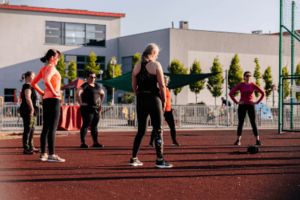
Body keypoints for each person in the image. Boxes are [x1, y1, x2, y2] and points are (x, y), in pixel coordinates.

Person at [130, 43, 173, 168]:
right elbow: (162, 85)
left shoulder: (137, 66)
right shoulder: (155, 65)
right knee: (158, 129)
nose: (157, 56)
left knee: (141, 130)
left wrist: (137, 92)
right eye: (157, 54)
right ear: (153, 53)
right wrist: (164, 101)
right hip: (154, 99)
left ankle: (133, 158)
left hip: (141, 99)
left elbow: (133, 85)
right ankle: (160, 160)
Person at [31, 49, 65, 162]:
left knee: (46, 127)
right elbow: (46, 80)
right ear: (52, 58)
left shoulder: (44, 68)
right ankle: (52, 154)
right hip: (53, 99)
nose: (58, 59)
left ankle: (44, 154)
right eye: (57, 57)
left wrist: (42, 93)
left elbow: (33, 83)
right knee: (53, 128)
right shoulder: (51, 67)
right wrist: (55, 92)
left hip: (46, 99)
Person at [229, 71, 264, 146]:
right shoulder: (240, 85)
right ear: (244, 77)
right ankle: (238, 140)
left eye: (250, 76)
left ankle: (257, 140)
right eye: (247, 76)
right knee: (240, 123)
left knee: (253, 122)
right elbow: (230, 93)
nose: (248, 77)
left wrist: (257, 102)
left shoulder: (253, 85)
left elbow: (263, 93)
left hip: (251, 105)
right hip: (242, 105)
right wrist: (237, 102)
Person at [76, 71, 105, 148]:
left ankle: (95, 142)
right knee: (86, 124)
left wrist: (100, 103)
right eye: (91, 77)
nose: (93, 78)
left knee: (94, 126)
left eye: (94, 77)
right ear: (87, 78)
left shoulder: (97, 86)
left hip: (95, 109)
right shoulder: (85, 85)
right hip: (87, 108)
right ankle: (83, 143)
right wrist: (81, 103)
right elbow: (78, 93)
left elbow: (102, 94)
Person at [149, 76, 180, 146]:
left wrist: (171, 107)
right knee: (157, 127)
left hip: (168, 110)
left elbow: (168, 100)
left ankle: (174, 141)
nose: (166, 82)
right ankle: (151, 142)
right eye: (165, 80)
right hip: (161, 110)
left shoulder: (167, 89)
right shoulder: (159, 89)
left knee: (172, 126)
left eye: (167, 81)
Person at [19, 71, 39, 154]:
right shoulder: (27, 86)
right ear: (27, 77)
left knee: (32, 129)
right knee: (28, 129)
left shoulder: (31, 86)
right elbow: (27, 98)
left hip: (31, 110)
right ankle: (26, 148)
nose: (34, 77)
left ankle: (31, 146)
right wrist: (31, 109)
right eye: (32, 76)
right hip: (27, 110)